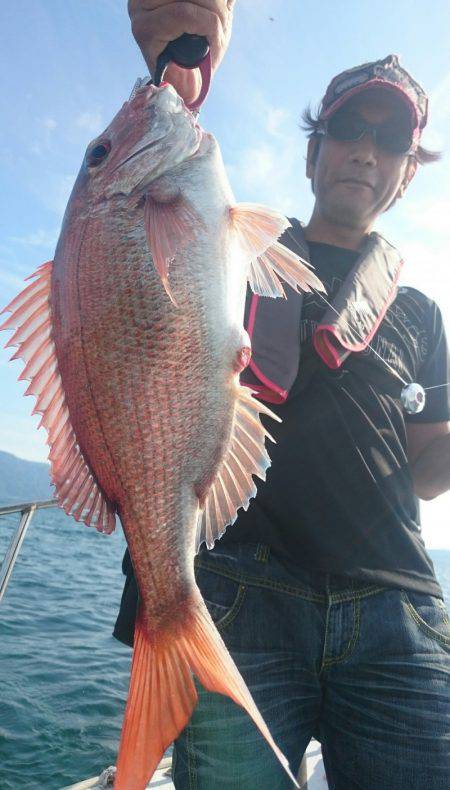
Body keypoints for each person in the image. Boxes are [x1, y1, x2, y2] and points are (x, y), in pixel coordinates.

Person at [115, 3, 450, 787]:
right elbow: (138, 259)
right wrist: (169, 71)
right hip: (240, 594)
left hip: (395, 606)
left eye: (391, 141)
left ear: (405, 177)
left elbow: (429, 471)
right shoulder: (232, 251)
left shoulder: (421, 314)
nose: (366, 151)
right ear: (313, 155)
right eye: (347, 130)